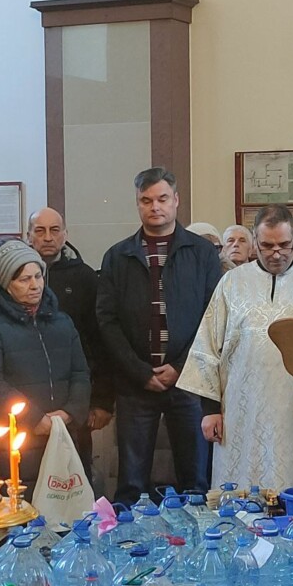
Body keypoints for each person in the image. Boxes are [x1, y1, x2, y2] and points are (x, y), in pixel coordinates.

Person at [177, 203, 293, 491]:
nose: (276, 253)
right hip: (242, 413)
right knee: (242, 491)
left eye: (284, 245)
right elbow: (208, 346)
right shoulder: (231, 284)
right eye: (267, 246)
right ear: (255, 241)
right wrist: (210, 409)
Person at [97, 167, 221, 505]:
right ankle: (129, 535)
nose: (155, 207)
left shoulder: (202, 253)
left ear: (176, 200)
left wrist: (180, 366)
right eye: (146, 200)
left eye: (162, 199)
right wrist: (139, 371)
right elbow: (107, 320)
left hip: (189, 381)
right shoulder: (118, 256)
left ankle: (197, 535)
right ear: (137, 203)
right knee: (131, 483)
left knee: (195, 480)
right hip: (136, 383)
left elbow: (212, 318)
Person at [0, 240, 90, 499]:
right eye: (24, 279)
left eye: (38, 276)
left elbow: (80, 373)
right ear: (6, 284)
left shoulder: (62, 322)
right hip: (18, 442)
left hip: (63, 435)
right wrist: (34, 418)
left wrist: (70, 412)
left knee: (68, 511)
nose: (35, 285)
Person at [27, 207, 115, 483]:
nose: (47, 237)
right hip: (28, 401)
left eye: (54, 230)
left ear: (65, 234)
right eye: (40, 231)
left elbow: (100, 341)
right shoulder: (13, 277)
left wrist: (102, 401)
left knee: (75, 479)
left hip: (75, 400)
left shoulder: (84, 278)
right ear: (28, 235)